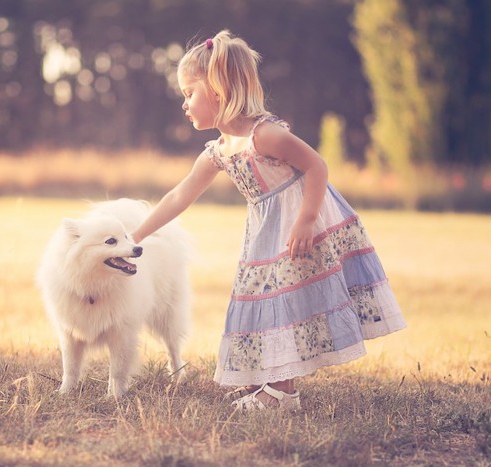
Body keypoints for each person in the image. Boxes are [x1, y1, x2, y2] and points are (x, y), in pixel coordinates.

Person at [130, 30, 406, 411]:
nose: (184, 104)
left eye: (189, 93)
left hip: (300, 225)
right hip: (265, 232)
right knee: (264, 299)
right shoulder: (220, 151)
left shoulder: (266, 135)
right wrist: (135, 237)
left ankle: (282, 393)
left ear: (218, 90)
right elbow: (180, 195)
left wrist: (307, 219)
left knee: (286, 302)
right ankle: (270, 384)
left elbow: (316, 166)